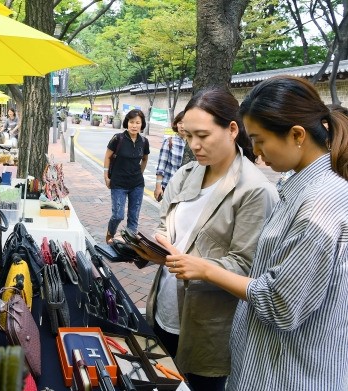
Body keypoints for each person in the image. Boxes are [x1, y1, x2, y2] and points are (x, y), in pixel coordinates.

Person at [164, 76, 348, 391]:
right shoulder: (300, 189)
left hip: (291, 374)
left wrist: (206, 269)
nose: (258, 153)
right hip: (268, 362)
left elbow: (281, 302)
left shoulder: (320, 204)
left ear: (297, 135)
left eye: (260, 140)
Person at [135, 88, 279, 391]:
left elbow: (248, 266)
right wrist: (155, 244)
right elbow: (167, 224)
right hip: (165, 308)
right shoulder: (188, 173)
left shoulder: (254, 190)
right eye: (188, 136)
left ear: (232, 129)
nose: (194, 145)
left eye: (202, 135)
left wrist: (199, 266)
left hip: (209, 326)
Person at [103, 109, 150, 243]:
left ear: (142, 125)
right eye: (131, 122)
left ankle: (129, 245)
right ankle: (110, 232)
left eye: (137, 123)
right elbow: (107, 157)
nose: (134, 125)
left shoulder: (144, 141)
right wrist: (106, 176)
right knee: (118, 215)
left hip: (137, 184)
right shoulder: (118, 138)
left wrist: (139, 173)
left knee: (134, 216)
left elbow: (145, 159)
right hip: (118, 183)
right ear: (127, 123)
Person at [154, 111, 186, 201]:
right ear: (176, 124)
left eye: (186, 123)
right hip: (170, 187)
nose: (182, 126)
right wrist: (158, 187)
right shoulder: (170, 141)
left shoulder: (194, 144)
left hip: (186, 189)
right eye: (180, 123)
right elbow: (161, 167)